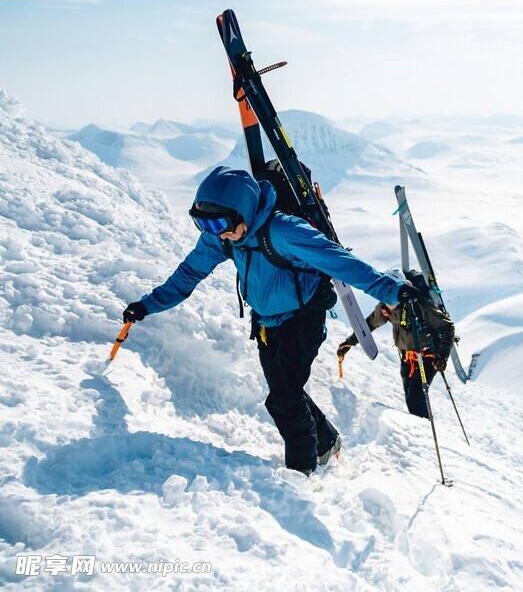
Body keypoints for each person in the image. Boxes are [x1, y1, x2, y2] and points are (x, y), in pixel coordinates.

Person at [122, 167, 416, 477]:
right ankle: (327, 441)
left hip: (302, 319)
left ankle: (301, 473)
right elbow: (189, 273)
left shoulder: (284, 231)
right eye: (204, 224)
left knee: (285, 397)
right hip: (265, 322)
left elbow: (340, 262)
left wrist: (390, 290)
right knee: (282, 394)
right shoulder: (222, 236)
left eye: (220, 224)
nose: (217, 233)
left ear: (243, 212)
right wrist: (148, 305)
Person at [336, 269, 455, 419]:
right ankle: (421, 425)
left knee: (416, 396)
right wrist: (349, 342)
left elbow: (447, 327)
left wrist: (443, 356)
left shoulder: (418, 303)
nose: (387, 297)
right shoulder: (384, 308)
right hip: (407, 356)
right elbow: (369, 325)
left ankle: (423, 427)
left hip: (428, 354)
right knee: (411, 395)